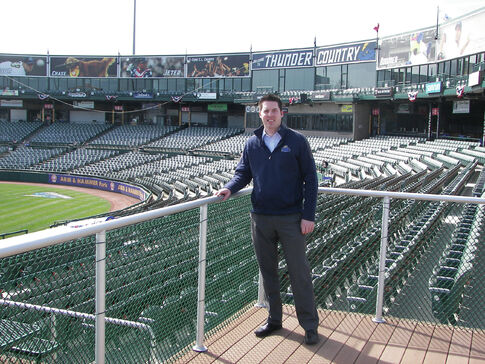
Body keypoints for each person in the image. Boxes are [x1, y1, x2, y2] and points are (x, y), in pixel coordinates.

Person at [216, 93, 319, 345]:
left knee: (299, 273)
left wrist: (308, 215)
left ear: (281, 113)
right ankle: (275, 320)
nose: (270, 115)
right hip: (260, 217)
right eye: (266, 111)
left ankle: (309, 325)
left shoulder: (297, 141)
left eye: (274, 110)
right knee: (268, 272)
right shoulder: (252, 142)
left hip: (291, 219)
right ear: (259, 114)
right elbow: (243, 172)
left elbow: (311, 179)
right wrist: (230, 188)